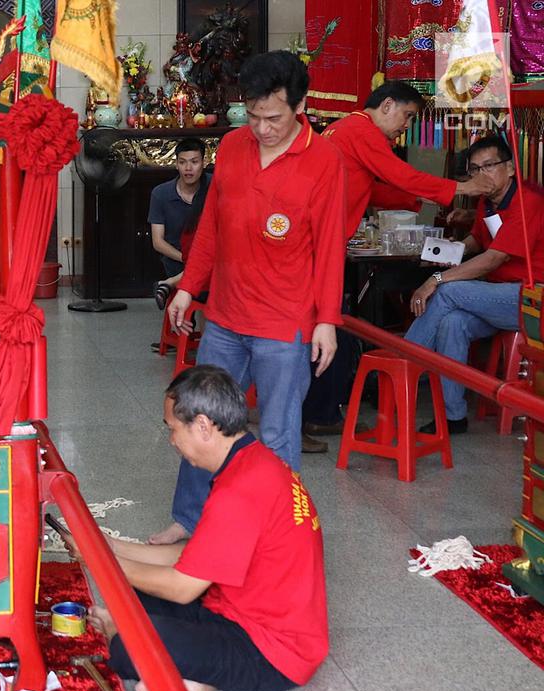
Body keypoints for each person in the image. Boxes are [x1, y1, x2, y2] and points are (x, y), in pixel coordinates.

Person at [157, 51, 346, 545]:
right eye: (254, 115)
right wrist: (189, 287)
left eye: (274, 118)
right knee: (202, 423)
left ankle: (274, 535)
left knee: (279, 434)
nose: (262, 129)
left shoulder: (324, 159)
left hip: (285, 323)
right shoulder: (234, 146)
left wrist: (326, 319)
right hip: (225, 316)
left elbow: (329, 246)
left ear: (300, 106)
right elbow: (212, 229)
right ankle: (191, 518)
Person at [78, 365, 327, 691]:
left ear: (204, 426)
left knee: (123, 649)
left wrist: (99, 559)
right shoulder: (252, 461)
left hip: (272, 654)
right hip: (238, 609)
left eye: (173, 429)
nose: (171, 441)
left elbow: (183, 586)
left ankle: (204, 678)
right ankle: (192, 667)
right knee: (131, 596)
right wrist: (111, 546)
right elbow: (195, 555)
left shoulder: (239, 491)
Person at [303, 82, 495, 436]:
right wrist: (460, 189)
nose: (406, 126)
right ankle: (320, 411)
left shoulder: (344, 129)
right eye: (407, 116)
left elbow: (366, 186)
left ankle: (323, 408)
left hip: (322, 240)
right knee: (327, 325)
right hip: (320, 243)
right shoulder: (362, 130)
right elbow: (399, 174)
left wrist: (416, 203)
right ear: (387, 104)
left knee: (330, 324)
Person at [404, 135, 544, 434]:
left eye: (489, 166)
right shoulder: (489, 201)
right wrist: (451, 251)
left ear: (509, 168)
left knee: (446, 291)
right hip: (499, 296)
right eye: (475, 169)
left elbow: (494, 258)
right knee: (452, 323)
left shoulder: (526, 199)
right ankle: (453, 417)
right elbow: (480, 239)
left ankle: (403, 365)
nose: (482, 174)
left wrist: (436, 278)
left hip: (533, 298)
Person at [150, 138, 213, 309]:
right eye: (182, 162)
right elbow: (158, 242)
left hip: (211, 259)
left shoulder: (215, 186)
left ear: (204, 162)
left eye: (194, 162)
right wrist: (188, 259)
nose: (188, 168)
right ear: (176, 164)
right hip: (177, 262)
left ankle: (168, 284)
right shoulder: (161, 193)